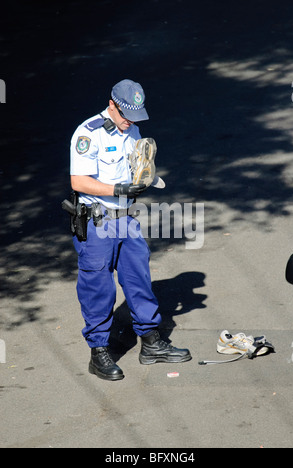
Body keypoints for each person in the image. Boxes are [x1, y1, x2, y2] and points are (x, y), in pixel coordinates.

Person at [70, 79, 192, 381]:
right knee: (98, 289)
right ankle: (99, 352)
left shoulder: (132, 128)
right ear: (112, 105)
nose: (130, 124)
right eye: (126, 116)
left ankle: (150, 342)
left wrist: (145, 178)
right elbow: (79, 182)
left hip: (127, 219)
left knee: (139, 280)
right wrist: (118, 188)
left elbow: (136, 163)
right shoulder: (88, 133)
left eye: (135, 118)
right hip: (98, 222)